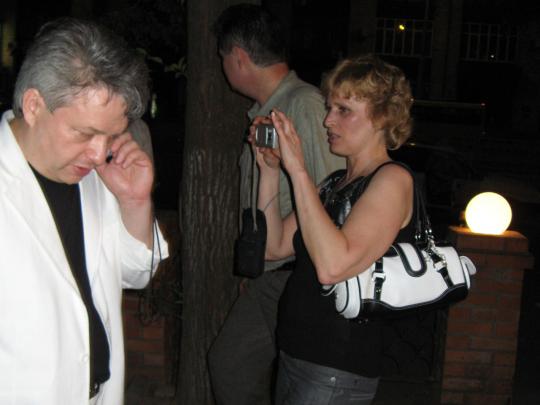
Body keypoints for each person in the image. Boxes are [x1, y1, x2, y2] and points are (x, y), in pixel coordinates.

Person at [0, 18, 168, 405]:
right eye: (85, 133)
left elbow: (136, 274)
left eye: (111, 136)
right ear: (34, 105)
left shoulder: (93, 177)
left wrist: (135, 202)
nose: (98, 153)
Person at [251, 55, 414, 404]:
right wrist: (269, 170)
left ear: (382, 117)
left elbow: (334, 266)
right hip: (296, 354)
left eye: (344, 110)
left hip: (336, 369)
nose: (328, 120)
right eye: (329, 108)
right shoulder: (334, 183)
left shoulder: (392, 180)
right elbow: (273, 247)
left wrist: (297, 170)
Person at [208, 4, 344, 405]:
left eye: (222, 57)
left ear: (239, 57)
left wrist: (280, 257)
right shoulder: (271, 109)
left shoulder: (304, 105)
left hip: (296, 273)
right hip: (272, 272)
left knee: (286, 380)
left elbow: (333, 192)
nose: (222, 66)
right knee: (231, 364)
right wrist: (258, 262)